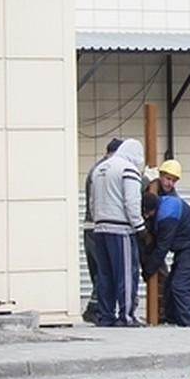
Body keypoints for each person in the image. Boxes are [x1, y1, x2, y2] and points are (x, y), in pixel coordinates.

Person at [146, 162, 190, 327]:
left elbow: (162, 247)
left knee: (179, 286)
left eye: (173, 180)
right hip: (188, 245)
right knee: (171, 285)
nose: (169, 183)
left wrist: (148, 269)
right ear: (160, 176)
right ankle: (173, 320)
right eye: (167, 178)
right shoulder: (157, 195)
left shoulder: (168, 210)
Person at [89, 137, 146, 326]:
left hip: (99, 228)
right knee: (126, 274)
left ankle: (106, 316)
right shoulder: (128, 169)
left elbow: (92, 201)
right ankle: (126, 316)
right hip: (120, 229)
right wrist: (139, 227)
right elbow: (132, 201)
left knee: (105, 275)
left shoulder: (100, 169)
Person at [81, 138, 122, 323]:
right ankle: (95, 308)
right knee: (104, 270)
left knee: (98, 271)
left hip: (91, 226)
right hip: (100, 226)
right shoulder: (106, 170)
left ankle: (98, 307)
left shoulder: (95, 169)